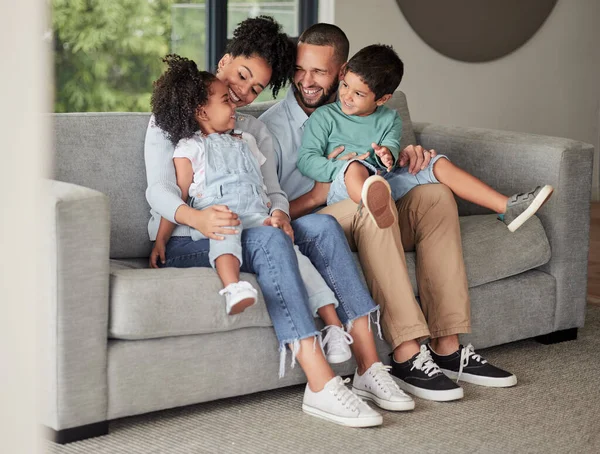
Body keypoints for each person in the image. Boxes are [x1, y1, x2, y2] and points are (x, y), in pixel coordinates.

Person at [145, 16, 413, 428]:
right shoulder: (173, 120)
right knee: (269, 242)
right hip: (194, 235)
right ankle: (320, 383)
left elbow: (273, 191)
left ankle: (366, 365)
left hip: (252, 222)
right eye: (241, 76)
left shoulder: (251, 129)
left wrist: (280, 215)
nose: (242, 92)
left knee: (320, 228)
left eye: (255, 88)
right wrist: (197, 217)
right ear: (224, 61)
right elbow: (162, 192)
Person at [260, 23, 518, 402]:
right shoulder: (271, 128)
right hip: (315, 222)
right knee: (369, 206)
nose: (306, 80)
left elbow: (387, 157)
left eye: (319, 71)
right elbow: (268, 206)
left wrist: (404, 158)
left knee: (435, 196)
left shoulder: (363, 111)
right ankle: (406, 353)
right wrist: (326, 186)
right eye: (300, 69)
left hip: (370, 202)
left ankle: (447, 347)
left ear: (343, 70)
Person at [297, 44, 554, 232]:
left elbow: (392, 151)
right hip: (344, 189)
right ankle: (377, 210)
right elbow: (307, 160)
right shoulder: (324, 117)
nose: (346, 96)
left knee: (437, 162)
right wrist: (340, 166)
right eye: (345, 86)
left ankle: (506, 207)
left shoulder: (390, 119)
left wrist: (387, 155)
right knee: (355, 167)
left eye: (358, 93)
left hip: (384, 182)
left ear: (383, 99)